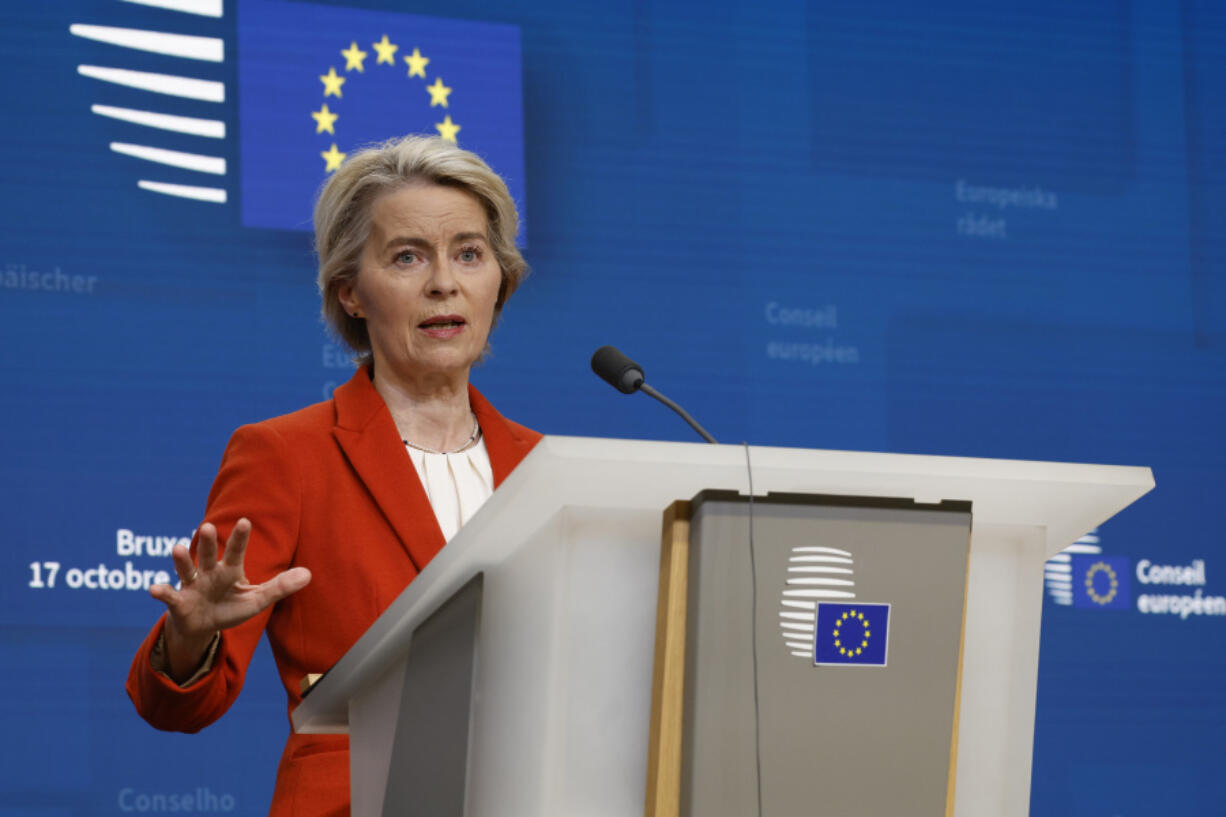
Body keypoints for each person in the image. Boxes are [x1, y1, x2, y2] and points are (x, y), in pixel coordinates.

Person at [126, 135, 542, 817]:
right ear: (350, 291)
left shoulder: (542, 467)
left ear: (499, 279)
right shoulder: (286, 454)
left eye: (469, 253)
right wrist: (193, 633)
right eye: (408, 256)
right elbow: (175, 706)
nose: (445, 281)